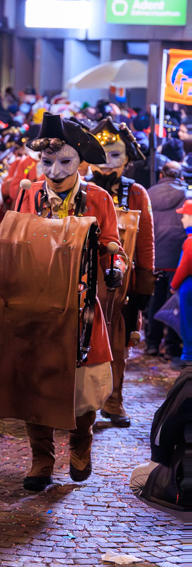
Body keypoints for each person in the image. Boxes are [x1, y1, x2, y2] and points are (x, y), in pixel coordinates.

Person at [0, 113, 125, 491]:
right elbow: (15, 238)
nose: (55, 170)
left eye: (64, 161)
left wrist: (116, 266)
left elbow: (113, 243)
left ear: (80, 160)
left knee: (85, 384)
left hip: (81, 302)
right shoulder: (28, 192)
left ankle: (81, 443)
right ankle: (41, 459)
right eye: (47, 162)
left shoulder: (98, 197)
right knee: (35, 377)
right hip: (36, 300)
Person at [91, 117, 156, 427]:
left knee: (117, 345)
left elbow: (146, 243)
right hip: (83, 280)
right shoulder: (81, 190)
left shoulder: (137, 193)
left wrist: (144, 285)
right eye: (101, 155)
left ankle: (113, 400)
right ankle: (80, 402)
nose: (107, 163)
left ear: (128, 159)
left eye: (115, 155)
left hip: (121, 285)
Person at [145, 161, 186, 359]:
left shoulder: (148, 193)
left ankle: (152, 344)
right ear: (181, 176)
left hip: (155, 256)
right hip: (178, 258)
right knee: (175, 305)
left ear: (161, 175)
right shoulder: (186, 195)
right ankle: (172, 347)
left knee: (155, 301)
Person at [170, 199, 192, 368]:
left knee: (187, 323)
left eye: (185, 215)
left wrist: (174, 285)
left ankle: (188, 357)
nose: (182, 219)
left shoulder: (190, 241)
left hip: (188, 289)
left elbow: (185, 266)